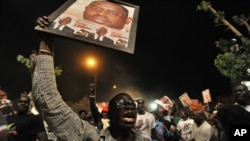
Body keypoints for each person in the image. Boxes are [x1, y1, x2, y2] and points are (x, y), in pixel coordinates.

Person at [32, 16, 143, 141]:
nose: (129, 107)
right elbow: (48, 101)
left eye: (132, 104)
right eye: (122, 104)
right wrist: (47, 41)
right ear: (110, 114)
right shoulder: (90, 137)